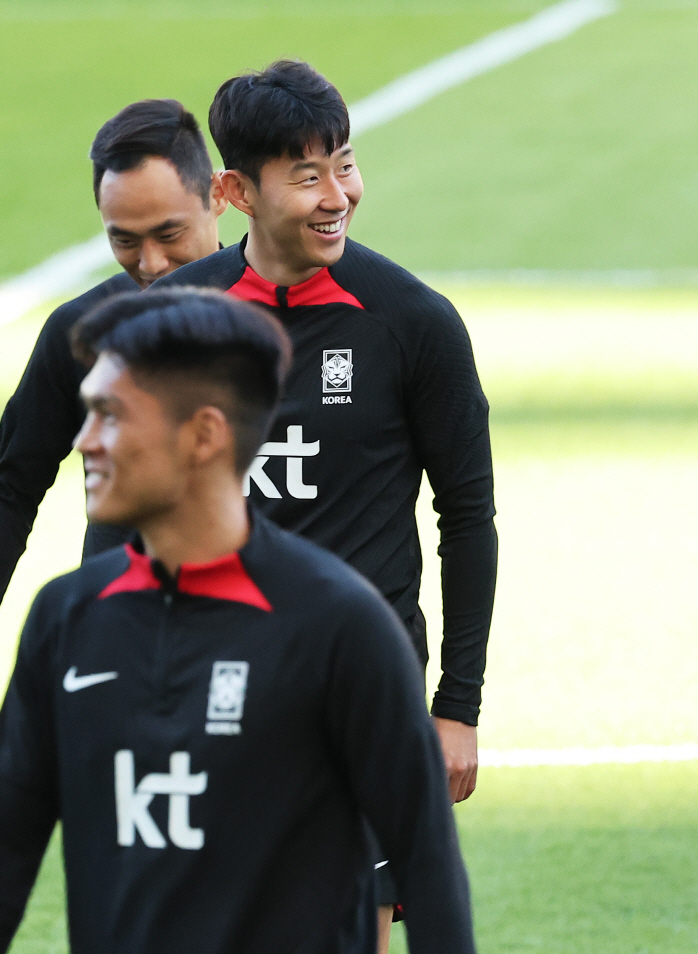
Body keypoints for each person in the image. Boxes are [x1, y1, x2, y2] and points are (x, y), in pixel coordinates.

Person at [0, 288, 475, 953]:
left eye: (109, 415)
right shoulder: (65, 617)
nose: (84, 442)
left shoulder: (342, 627)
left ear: (203, 435)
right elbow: (9, 847)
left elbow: (429, 872)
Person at [154, 60, 498, 943]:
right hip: (211, 683)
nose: (337, 195)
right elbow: (132, 514)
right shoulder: (176, 321)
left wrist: (457, 706)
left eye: (343, 165)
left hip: (363, 692)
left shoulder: (412, 322)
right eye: (306, 175)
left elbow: (467, 517)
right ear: (236, 191)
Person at [0, 98, 226, 596]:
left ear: (218, 195)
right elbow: (11, 487)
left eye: (169, 233)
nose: (150, 263)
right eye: (124, 240)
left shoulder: (290, 320)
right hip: (117, 622)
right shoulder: (79, 332)